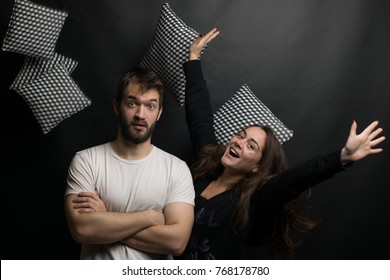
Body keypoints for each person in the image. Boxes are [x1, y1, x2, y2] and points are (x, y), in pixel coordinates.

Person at [174, 27, 386, 259]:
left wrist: (342, 157)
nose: (239, 142)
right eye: (241, 135)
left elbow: (293, 181)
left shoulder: (253, 201)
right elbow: (199, 116)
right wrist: (193, 58)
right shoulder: (206, 166)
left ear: (257, 166)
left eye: (251, 146)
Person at [64, 66, 195, 260]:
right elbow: (82, 230)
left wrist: (106, 217)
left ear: (159, 112)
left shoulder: (176, 169)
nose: (141, 115)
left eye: (150, 106)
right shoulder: (86, 160)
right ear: (117, 106)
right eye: (132, 103)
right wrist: (150, 217)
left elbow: (176, 242)